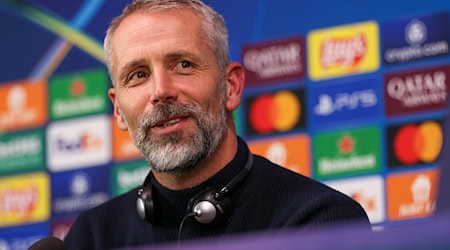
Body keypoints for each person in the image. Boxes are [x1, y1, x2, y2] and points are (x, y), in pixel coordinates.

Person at [64, 0, 371, 249]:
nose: (160, 91)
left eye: (183, 64)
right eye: (138, 75)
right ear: (118, 109)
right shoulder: (91, 238)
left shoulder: (321, 223)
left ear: (231, 87)